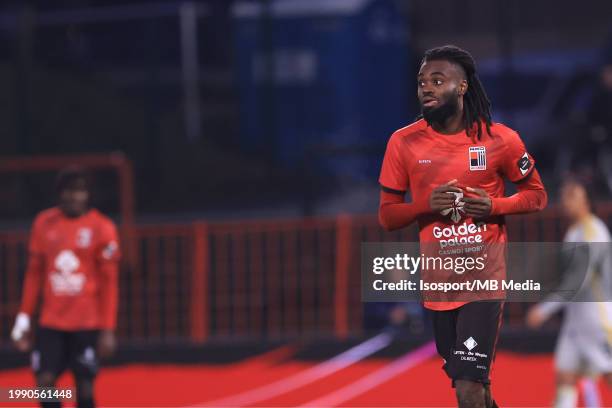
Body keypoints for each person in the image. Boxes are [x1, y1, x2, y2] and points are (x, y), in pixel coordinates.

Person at [378, 45, 547, 407]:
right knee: (477, 388)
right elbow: (388, 216)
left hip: (483, 280)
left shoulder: (501, 139)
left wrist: (494, 206)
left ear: (463, 86)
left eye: (438, 81)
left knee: (467, 386)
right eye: (422, 81)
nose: (427, 88)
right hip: (438, 284)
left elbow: (537, 195)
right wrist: (426, 205)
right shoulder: (402, 143)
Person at [10, 166, 120, 408]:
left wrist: (108, 328)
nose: (74, 197)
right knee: (44, 383)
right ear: (59, 194)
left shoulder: (102, 228)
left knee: (84, 388)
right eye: (69, 191)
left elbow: (110, 283)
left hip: (86, 323)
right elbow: (33, 275)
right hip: (52, 323)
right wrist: (24, 319)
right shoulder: (44, 224)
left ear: (87, 195)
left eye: (80, 191)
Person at [526, 179, 612, 408]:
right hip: (575, 323)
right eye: (564, 195)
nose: (566, 201)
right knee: (565, 376)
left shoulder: (594, 231)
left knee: (608, 375)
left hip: (598, 320)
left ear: (587, 200)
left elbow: (580, 280)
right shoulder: (574, 231)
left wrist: (545, 309)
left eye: (572, 195)